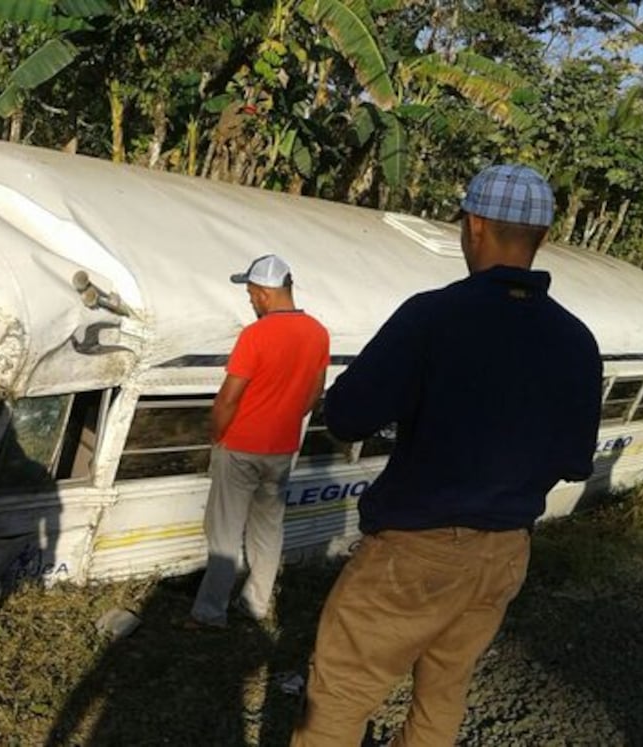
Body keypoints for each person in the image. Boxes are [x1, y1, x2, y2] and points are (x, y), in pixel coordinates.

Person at [291, 165, 603, 746]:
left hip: (417, 550)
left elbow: (351, 416)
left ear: (475, 225)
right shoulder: (576, 340)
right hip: (506, 552)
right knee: (443, 691)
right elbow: (573, 462)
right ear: (541, 237)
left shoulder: (433, 315)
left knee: (340, 696)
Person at [189, 254, 329, 628]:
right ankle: (256, 604)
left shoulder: (256, 335)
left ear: (265, 293)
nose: (250, 301)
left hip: (240, 447)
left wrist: (216, 435)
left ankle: (209, 613)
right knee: (268, 529)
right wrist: (286, 420)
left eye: (251, 293)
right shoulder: (318, 332)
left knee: (224, 530)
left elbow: (229, 396)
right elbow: (316, 391)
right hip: (282, 449)